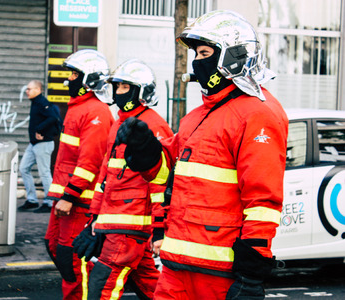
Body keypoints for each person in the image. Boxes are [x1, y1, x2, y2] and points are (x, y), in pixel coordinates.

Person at [116, 10, 289, 300]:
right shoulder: (197, 116)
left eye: (204, 52)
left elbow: (263, 201)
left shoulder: (259, 113)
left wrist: (251, 274)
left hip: (220, 273)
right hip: (175, 266)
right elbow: (166, 175)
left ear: (232, 56)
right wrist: (144, 149)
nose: (197, 61)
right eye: (195, 53)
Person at [73, 59, 174, 299]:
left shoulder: (154, 126)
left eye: (124, 88)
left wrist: (159, 229)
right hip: (115, 222)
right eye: (116, 87)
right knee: (153, 288)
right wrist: (94, 219)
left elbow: (161, 183)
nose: (117, 93)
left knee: (101, 286)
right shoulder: (117, 123)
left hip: (133, 225)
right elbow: (105, 178)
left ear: (141, 92)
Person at [44, 49, 114, 299]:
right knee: (56, 249)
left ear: (89, 79)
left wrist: (70, 196)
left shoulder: (95, 112)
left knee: (72, 261)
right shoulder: (78, 108)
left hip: (77, 202)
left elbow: (90, 161)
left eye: (74, 74)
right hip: (66, 198)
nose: (68, 79)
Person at [18, 80, 62, 213]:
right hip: (34, 144)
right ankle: (32, 200)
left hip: (43, 144)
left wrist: (39, 130)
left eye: (29, 89)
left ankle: (49, 202)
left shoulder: (43, 103)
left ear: (38, 90)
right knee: (23, 168)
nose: (27, 91)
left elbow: (53, 118)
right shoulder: (35, 102)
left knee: (44, 173)